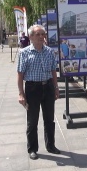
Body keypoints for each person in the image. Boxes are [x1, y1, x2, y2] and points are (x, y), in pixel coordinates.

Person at [17, 24, 60, 160]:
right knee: (32, 121)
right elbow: (20, 74)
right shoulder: (24, 53)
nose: (41, 37)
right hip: (32, 89)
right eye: (38, 34)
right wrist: (20, 93)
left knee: (49, 119)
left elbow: (53, 70)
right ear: (30, 37)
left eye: (43, 34)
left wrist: (56, 87)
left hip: (47, 87)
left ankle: (51, 145)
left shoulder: (49, 51)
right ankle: (32, 148)